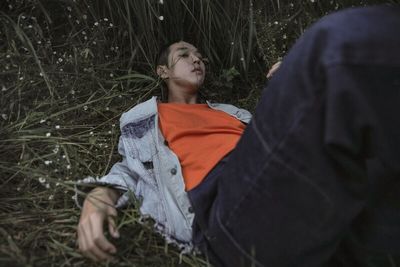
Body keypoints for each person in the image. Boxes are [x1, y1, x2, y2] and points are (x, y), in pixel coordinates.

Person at [76, 5, 400, 266]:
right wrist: (99, 196)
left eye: (199, 56)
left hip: (289, 194)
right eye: (185, 53)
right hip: (224, 213)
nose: (196, 59)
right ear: (163, 71)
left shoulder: (231, 112)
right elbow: (129, 168)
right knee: (338, 44)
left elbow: (277, 151)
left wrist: (288, 87)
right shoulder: (144, 120)